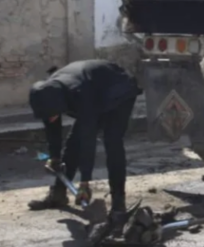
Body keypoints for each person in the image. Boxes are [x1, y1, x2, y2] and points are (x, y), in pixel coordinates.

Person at [27, 60, 142, 223]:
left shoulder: (79, 93)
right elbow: (52, 129)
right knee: (73, 143)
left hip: (119, 90)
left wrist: (84, 183)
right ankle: (58, 195)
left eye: (52, 114)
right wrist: (55, 157)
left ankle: (118, 204)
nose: (51, 118)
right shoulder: (47, 95)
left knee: (112, 142)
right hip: (95, 90)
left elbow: (88, 140)